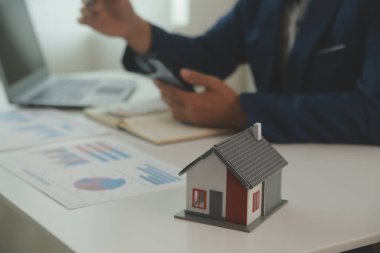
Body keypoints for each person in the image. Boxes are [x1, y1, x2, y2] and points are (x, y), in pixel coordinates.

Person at [79, 0, 380, 146]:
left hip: (351, 181)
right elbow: (205, 57)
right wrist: (134, 29)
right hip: (277, 164)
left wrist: (242, 111)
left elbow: (373, 113)